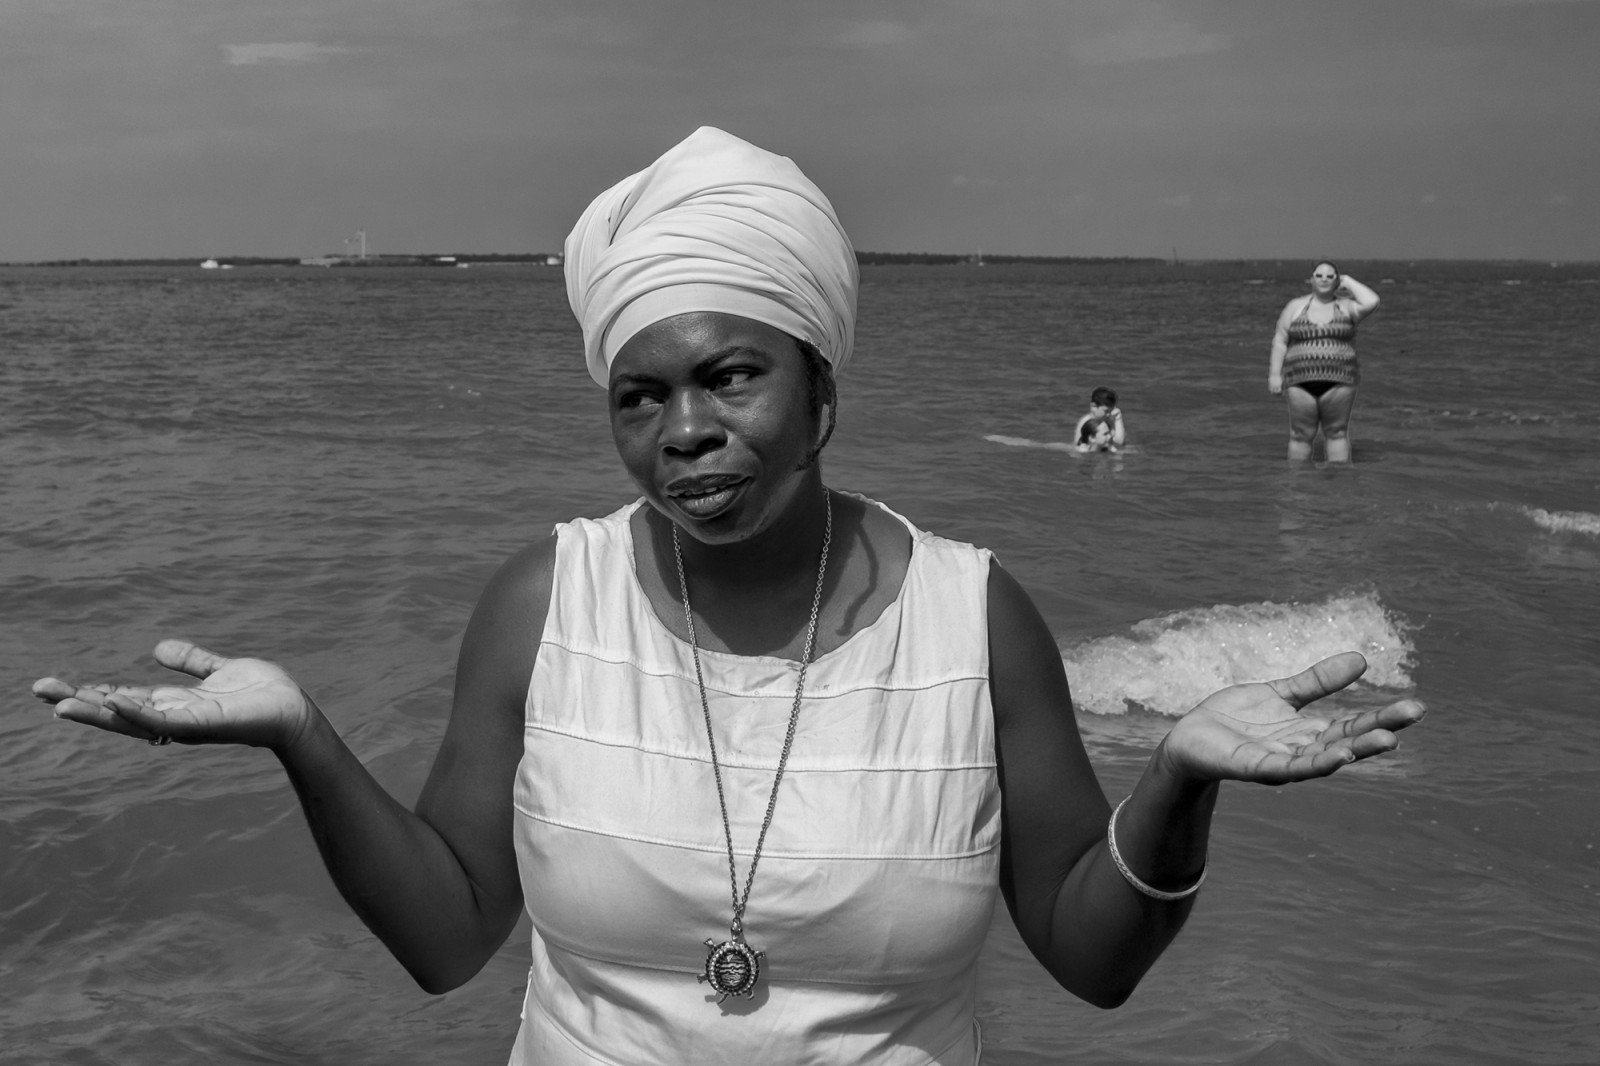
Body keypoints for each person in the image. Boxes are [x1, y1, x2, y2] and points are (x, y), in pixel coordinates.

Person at [33, 128, 1424, 1065]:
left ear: (825, 382)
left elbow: (1091, 955)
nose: (682, 428)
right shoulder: (546, 601)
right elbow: (453, 937)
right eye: (639, 395)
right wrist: (303, 738)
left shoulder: (971, 616)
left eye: (730, 374)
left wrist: (1178, 778)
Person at [1267, 262, 1381, 462]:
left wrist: (1347, 281)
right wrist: (1275, 375)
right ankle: (1298, 486)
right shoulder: (1295, 306)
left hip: (1340, 382)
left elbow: (1372, 301)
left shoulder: (1346, 307)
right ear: (1311, 279)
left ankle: (1338, 487)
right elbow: (1280, 340)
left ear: (1336, 280)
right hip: (1300, 382)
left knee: (1337, 433)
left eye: (1330, 276)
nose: (1324, 280)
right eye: (1319, 275)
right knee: (1299, 435)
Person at [1073, 386, 1126, 452]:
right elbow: (1078, 446)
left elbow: (1119, 443)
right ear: (1093, 406)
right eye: (1106, 411)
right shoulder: (1085, 422)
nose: (1109, 414)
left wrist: (1118, 419)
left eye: (1110, 411)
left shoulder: (1108, 420)